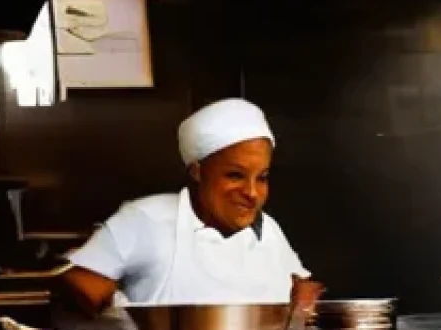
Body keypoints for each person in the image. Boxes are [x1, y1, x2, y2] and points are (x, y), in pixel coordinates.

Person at [62, 98, 318, 312]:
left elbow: (304, 287)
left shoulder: (267, 229)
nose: (251, 193)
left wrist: (302, 311)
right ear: (197, 171)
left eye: (262, 177)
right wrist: (134, 323)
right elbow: (80, 284)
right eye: (235, 175)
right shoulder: (145, 220)